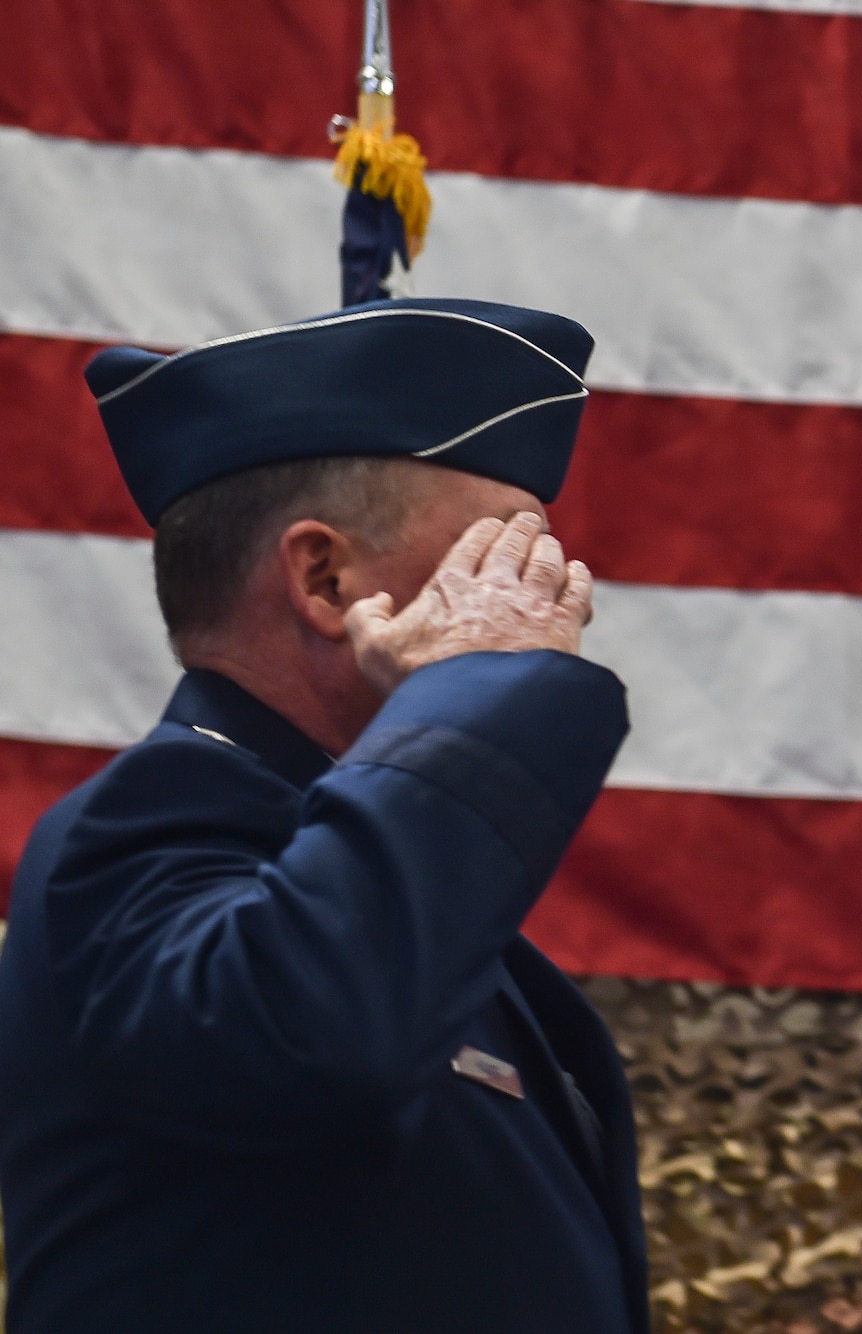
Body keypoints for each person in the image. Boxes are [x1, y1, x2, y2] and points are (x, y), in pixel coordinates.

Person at [0, 298, 649, 1332]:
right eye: (501, 556)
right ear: (325, 577)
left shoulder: (379, 867)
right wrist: (478, 690)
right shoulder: (136, 831)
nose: (554, 600)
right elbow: (312, 1037)